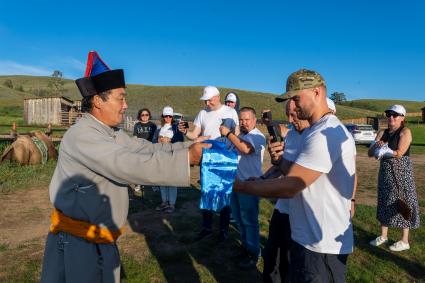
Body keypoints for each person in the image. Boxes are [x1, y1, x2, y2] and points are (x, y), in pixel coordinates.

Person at [40, 51, 209, 283]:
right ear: (98, 100)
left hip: (99, 241)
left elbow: (146, 149)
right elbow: (130, 163)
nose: (126, 105)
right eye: (121, 98)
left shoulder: (111, 133)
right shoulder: (83, 135)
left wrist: (190, 147)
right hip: (79, 246)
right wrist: (187, 158)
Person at [234, 69, 356, 282]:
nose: (294, 106)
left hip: (321, 245)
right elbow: (294, 170)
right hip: (306, 237)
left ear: (317, 92)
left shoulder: (325, 132)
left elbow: (292, 185)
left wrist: (240, 187)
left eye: (296, 98)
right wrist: (275, 167)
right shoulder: (313, 132)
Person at [180, 85, 240, 242]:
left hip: (225, 157)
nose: (207, 103)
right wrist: (186, 132)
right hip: (207, 157)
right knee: (206, 191)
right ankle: (206, 228)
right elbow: (195, 135)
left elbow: (237, 134)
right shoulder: (202, 113)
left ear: (217, 97)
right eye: (205, 100)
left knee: (225, 192)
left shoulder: (230, 112)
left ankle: (224, 230)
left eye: (209, 100)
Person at [262, 100, 310, 282]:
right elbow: (280, 167)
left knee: (289, 262)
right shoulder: (291, 136)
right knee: (271, 256)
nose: (290, 119)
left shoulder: (312, 139)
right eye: (287, 114)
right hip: (282, 207)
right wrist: (263, 178)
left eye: (294, 114)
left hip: (300, 211)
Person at [368, 104, 420, 251]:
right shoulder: (382, 132)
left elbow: (400, 153)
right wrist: (375, 146)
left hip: (401, 172)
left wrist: (385, 150)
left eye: (395, 115)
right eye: (389, 114)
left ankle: (404, 240)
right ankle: (383, 235)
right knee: (384, 199)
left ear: (402, 118)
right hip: (385, 171)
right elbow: (370, 154)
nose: (391, 117)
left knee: (404, 201)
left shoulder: (405, 131)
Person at [219, 107, 265, 269]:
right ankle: (246, 248)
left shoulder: (257, 136)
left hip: (249, 186)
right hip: (235, 184)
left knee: (249, 221)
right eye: (241, 120)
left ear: (254, 120)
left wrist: (228, 134)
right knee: (239, 219)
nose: (244, 122)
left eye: (247, 119)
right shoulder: (241, 136)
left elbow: (246, 149)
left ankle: (254, 253)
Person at [154, 106, 185, 213]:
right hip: (161, 156)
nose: (167, 118)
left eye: (169, 116)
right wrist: (158, 140)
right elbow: (153, 142)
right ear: (162, 116)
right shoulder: (159, 128)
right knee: (162, 181)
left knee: (171, 181)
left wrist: (170, 139)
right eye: (165, 116)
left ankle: (171, 204)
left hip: (172, 157)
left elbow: (181, 140)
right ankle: (164, 202)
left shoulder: (176, 127)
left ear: (172, 117)